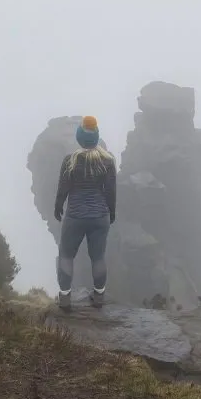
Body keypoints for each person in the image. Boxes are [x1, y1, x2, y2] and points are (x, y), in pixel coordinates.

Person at [54, 115, 116, 310]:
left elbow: (63, 189)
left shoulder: (70, 161)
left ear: (79, 137)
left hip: (75, 216)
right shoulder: (107, 161)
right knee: (98, 257)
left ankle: (64, 298)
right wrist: (111, 212)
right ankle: (99, 297)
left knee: (66, 255)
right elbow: (111, 191)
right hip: (100, 216)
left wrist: (58, 207)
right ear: (96, 137)